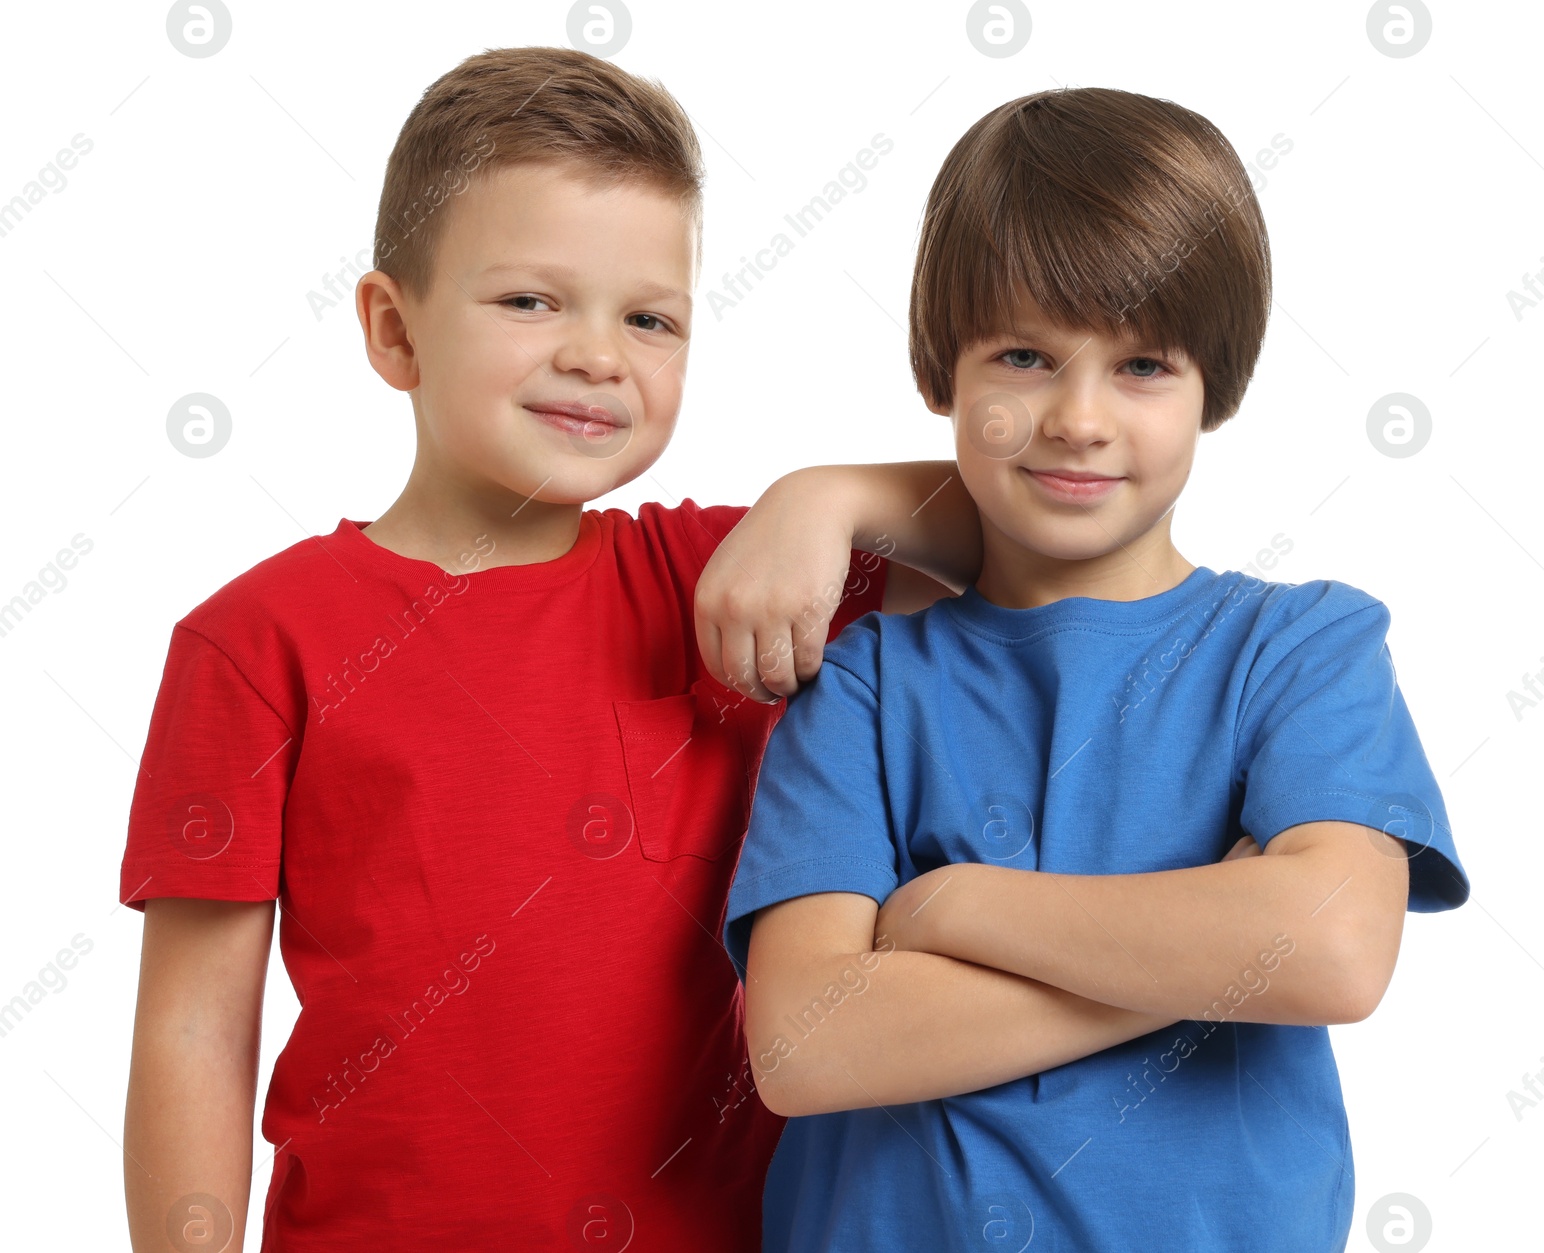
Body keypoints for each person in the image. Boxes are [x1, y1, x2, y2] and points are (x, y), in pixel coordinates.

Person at [119, 46, 981, 1252]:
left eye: (649, 317)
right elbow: (196, 1030)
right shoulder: (256, 641)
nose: (596, 353)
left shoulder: (717, 574)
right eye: (531, 300)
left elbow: (1017, 523)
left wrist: (823, 495)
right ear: (391, 326)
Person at [723, 85, 1471, 1252]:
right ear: (942, 373)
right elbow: (807, 1043)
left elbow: (1327, 948)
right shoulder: (864, 683)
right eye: (1024, 355)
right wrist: (1214, 948)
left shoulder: (1301, 646)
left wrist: (955, 906)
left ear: (1213, 387)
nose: (1078, 416)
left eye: (1142, 365)